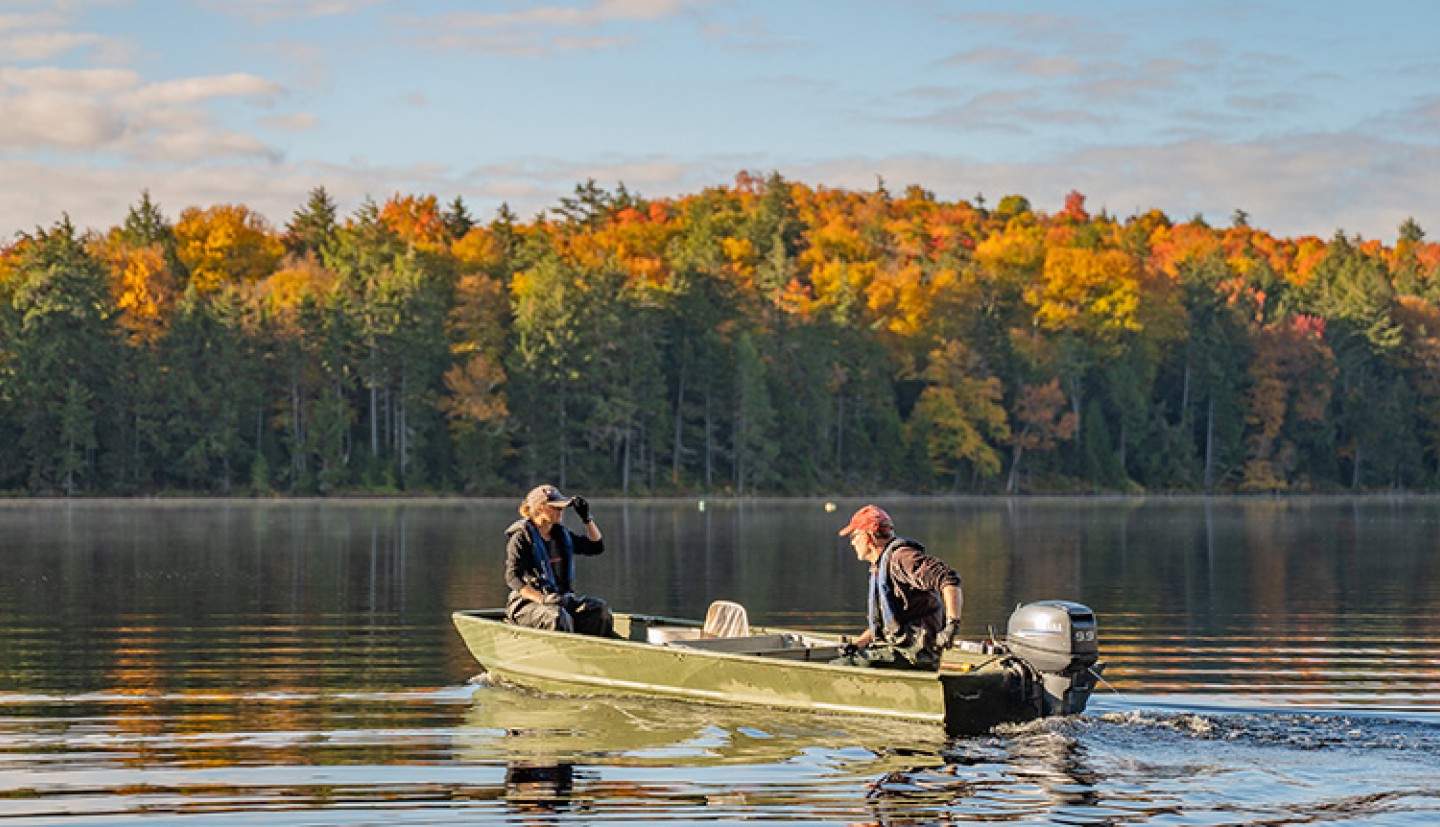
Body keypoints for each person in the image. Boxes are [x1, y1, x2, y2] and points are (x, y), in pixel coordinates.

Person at [832, 504, 963, 670]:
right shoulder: (880, 566)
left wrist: (952, 626)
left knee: (839, 666)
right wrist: (858, 645)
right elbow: (888, 626)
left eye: (854, 536)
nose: (852, 543)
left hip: (913, 654)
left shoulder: (902, 559)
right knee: (849, 658)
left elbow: (948, 578)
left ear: (868, 538)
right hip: (898, 651)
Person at [504, 484, 614, 637]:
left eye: (562, 507)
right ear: (540, 508)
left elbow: (596, 547)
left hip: (559, 601)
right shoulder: (521, 538)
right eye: (556, 507)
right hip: (528, 604)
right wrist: (542, 599)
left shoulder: (561, 535)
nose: (561, 511)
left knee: (598, 609)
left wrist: (586, 518)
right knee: (556, 616)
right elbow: (512, 578)